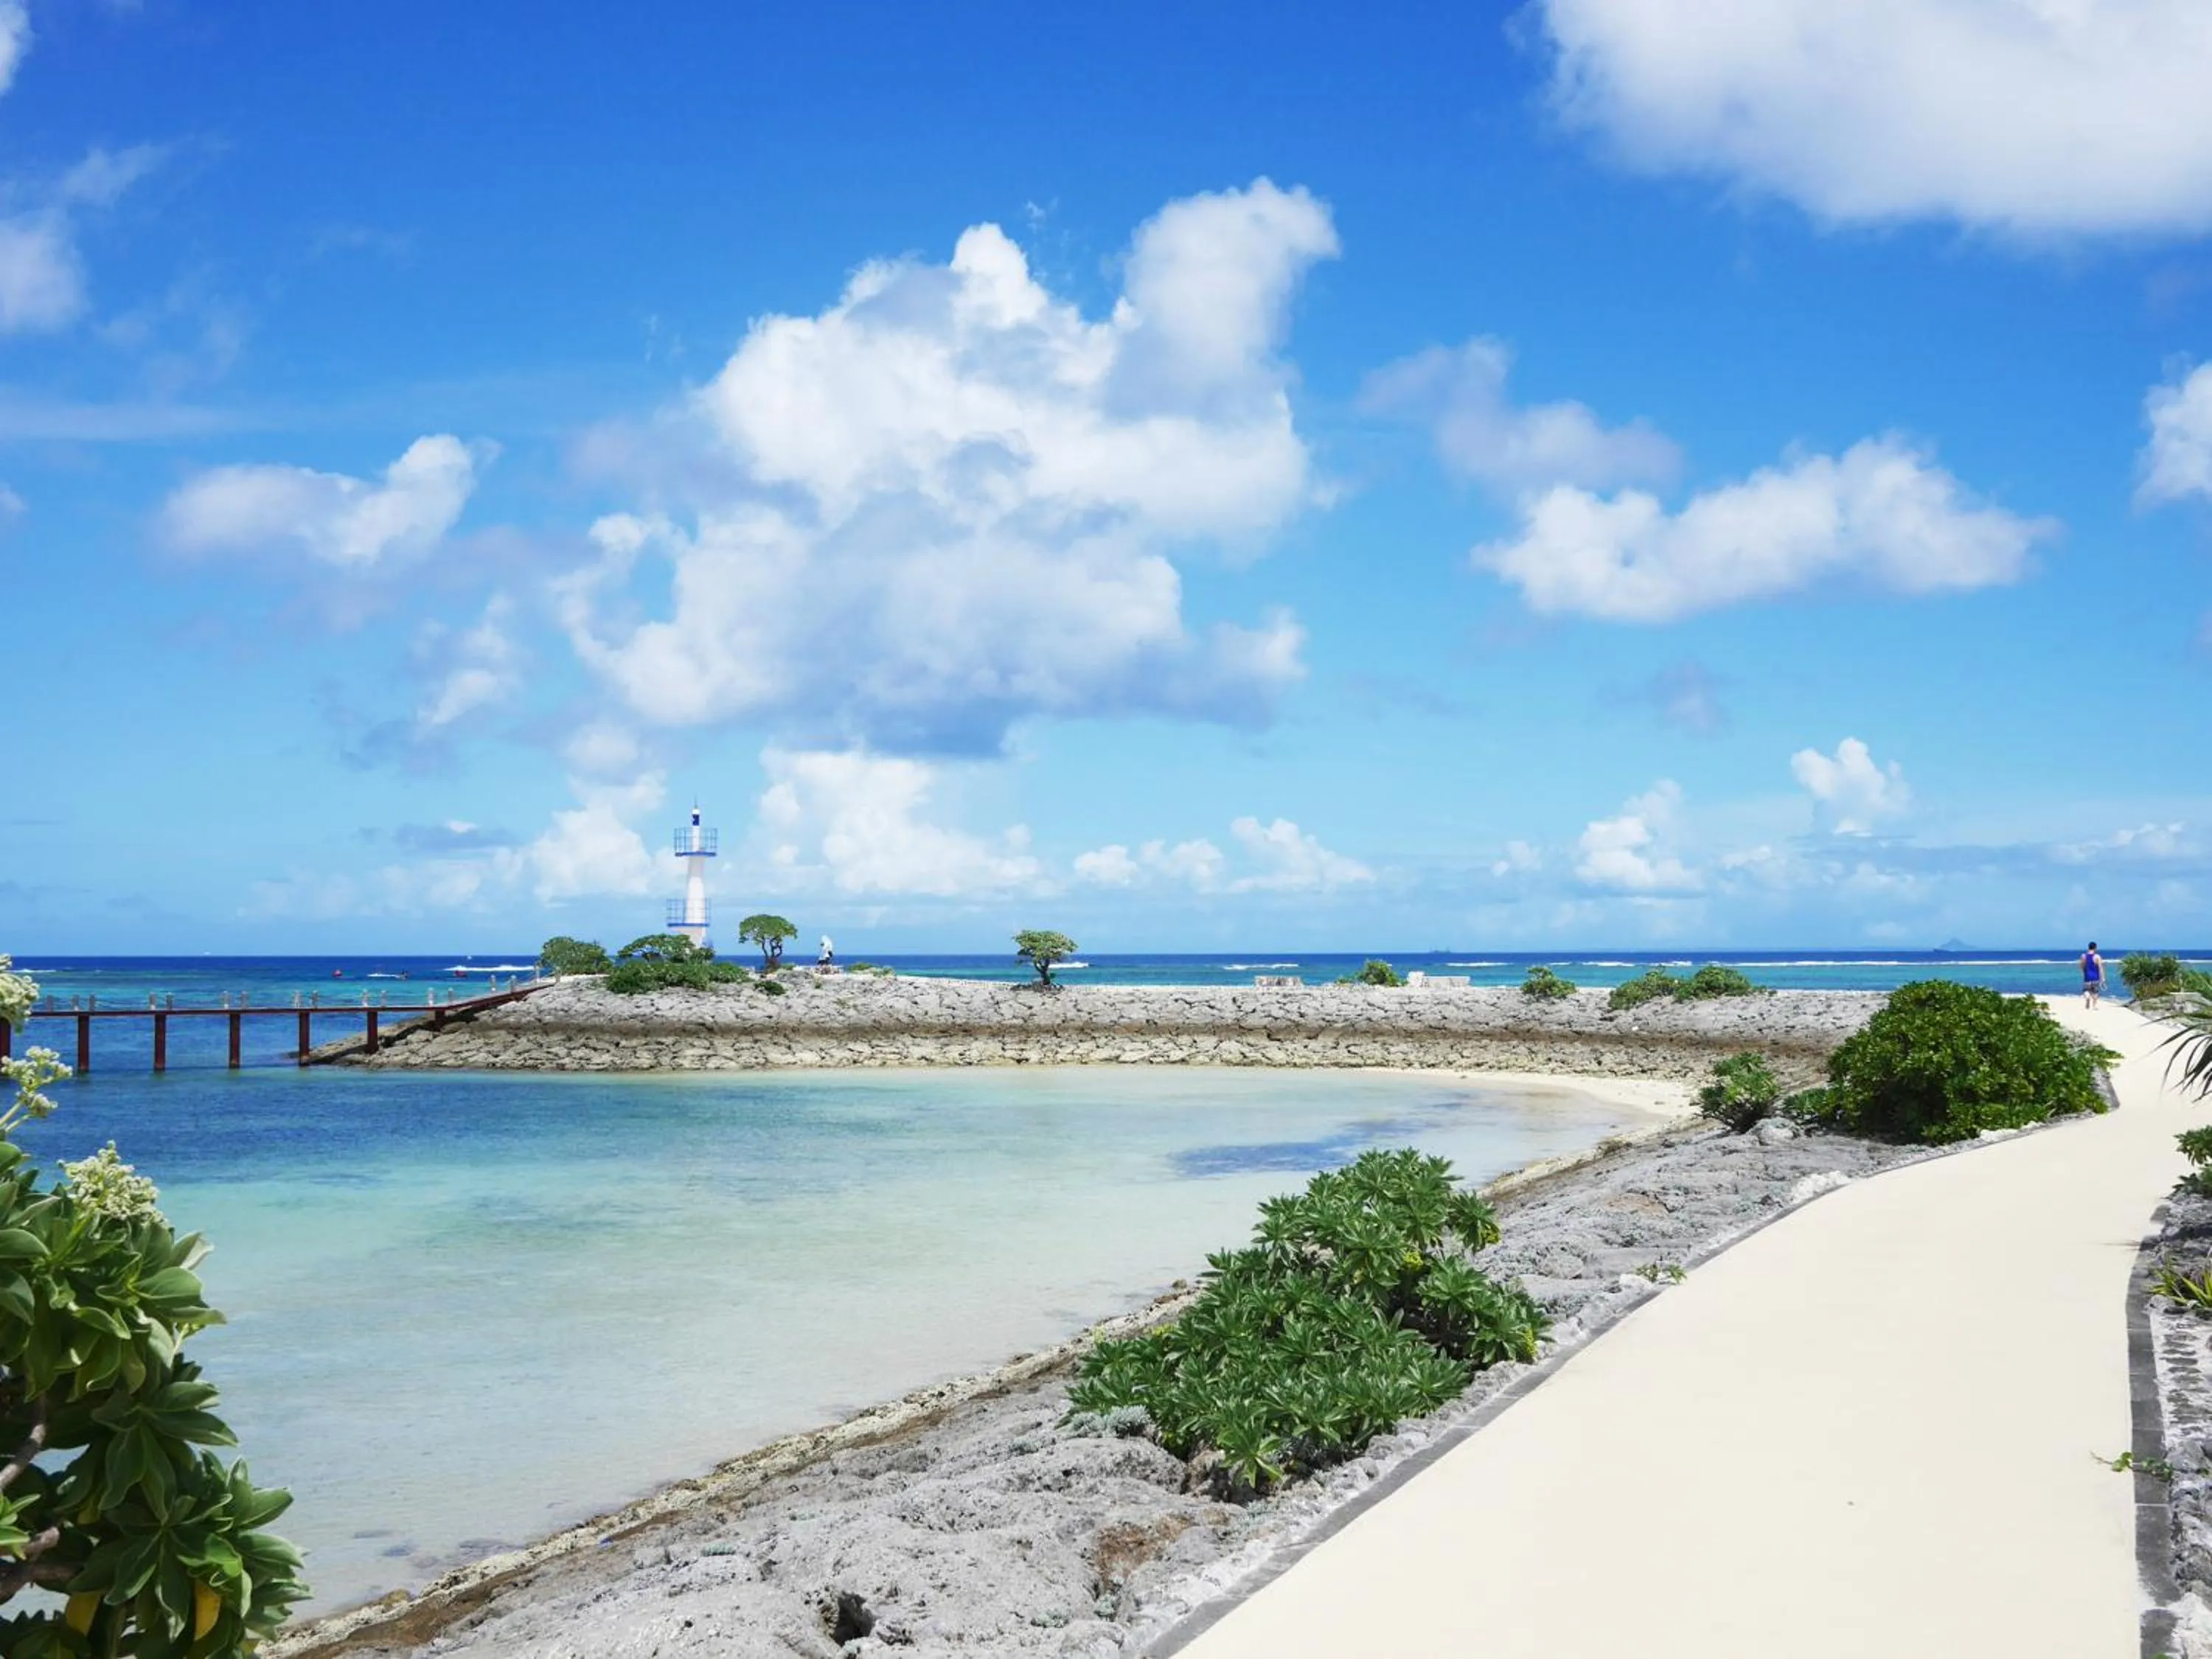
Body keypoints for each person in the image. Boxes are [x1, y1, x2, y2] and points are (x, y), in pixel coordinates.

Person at [2081, 941, 2104, 1009]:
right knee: (2095, 991)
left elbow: (2082, 966)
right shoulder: (2097, 957)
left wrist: (2084, 973)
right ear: (2095, 948)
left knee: (2086, 990)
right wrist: (2103, 978)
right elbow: (2100, 968)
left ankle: (2088, 997)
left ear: (2089, 947)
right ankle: (2094, 1006)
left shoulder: (2083, 956)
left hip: (2087, 977)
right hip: (2095, 977)